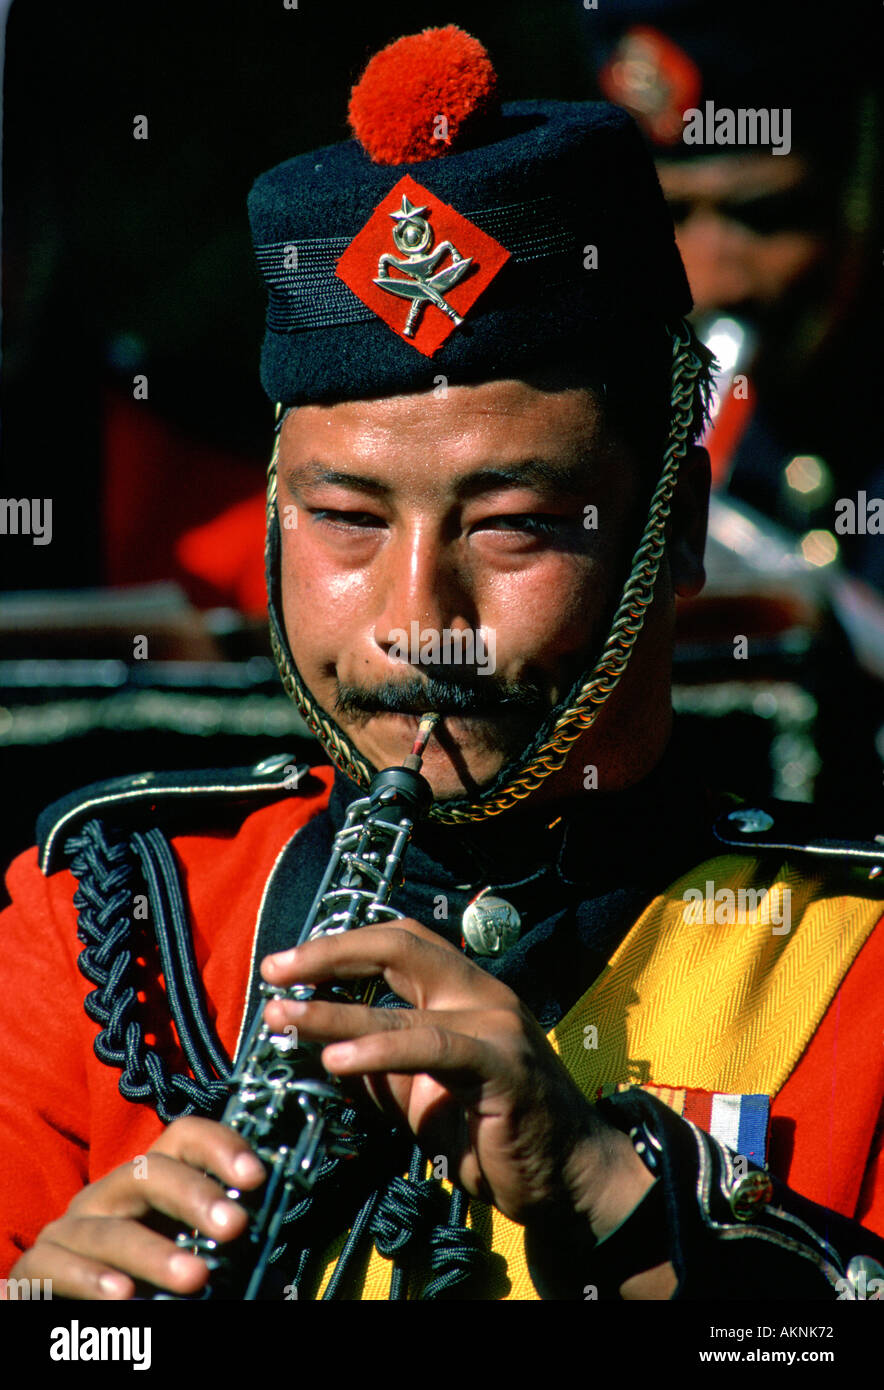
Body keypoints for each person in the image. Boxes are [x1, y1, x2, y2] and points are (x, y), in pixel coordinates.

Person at [2, 26, 883, 1303]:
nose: (419, 618)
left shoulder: (855, 957)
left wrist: (623, 1211)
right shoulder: (109, 916)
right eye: (346, 521)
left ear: (673, 527)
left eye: (511, 523)